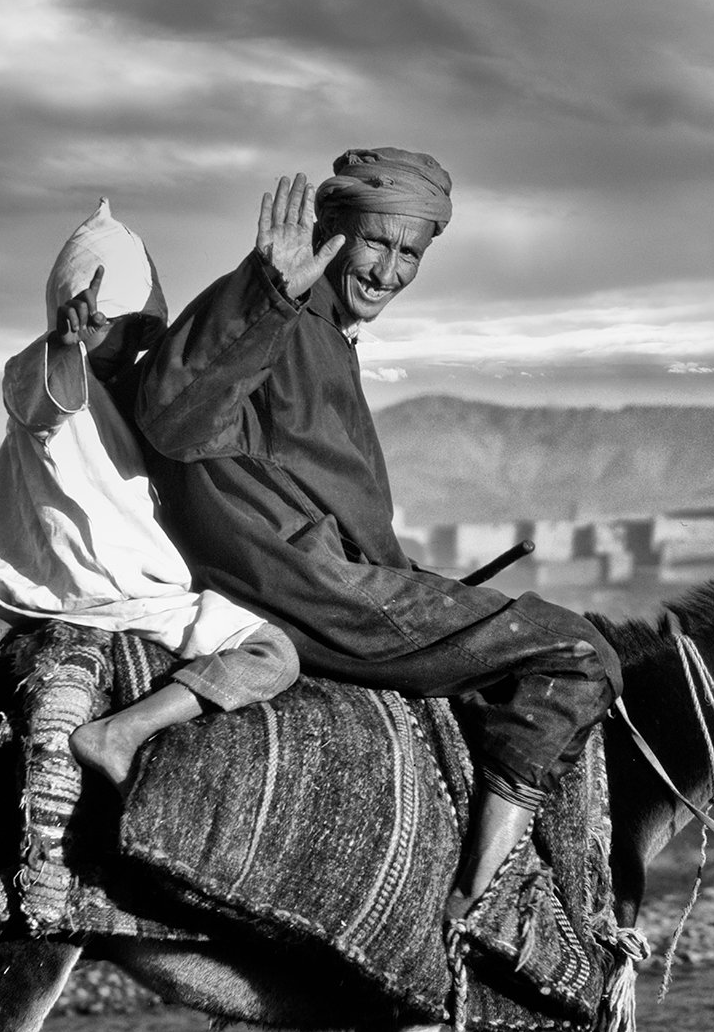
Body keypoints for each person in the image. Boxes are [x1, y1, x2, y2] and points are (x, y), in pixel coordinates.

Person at [132, 152, 622, 921]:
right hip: (304, 582)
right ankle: (480, 896)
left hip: (322, 568)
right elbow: (174, 421)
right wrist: (267, 295)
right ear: (329, 229)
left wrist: (414, 576)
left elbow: (330, 494)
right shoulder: (274, 309)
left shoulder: (326, 332)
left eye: (409, 254)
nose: (389, 272)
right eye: (376, 245)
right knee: (578, 651)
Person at [0, 200, 299, 792]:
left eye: (142, 329)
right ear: (69, 316)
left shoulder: (138, 400)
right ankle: (118, 733)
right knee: (273, 652)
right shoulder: (49, 389)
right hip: (114, 595)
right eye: (109, 324)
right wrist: (66, 344)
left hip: (127, 590)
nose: (127, 343)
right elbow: (41, 392)